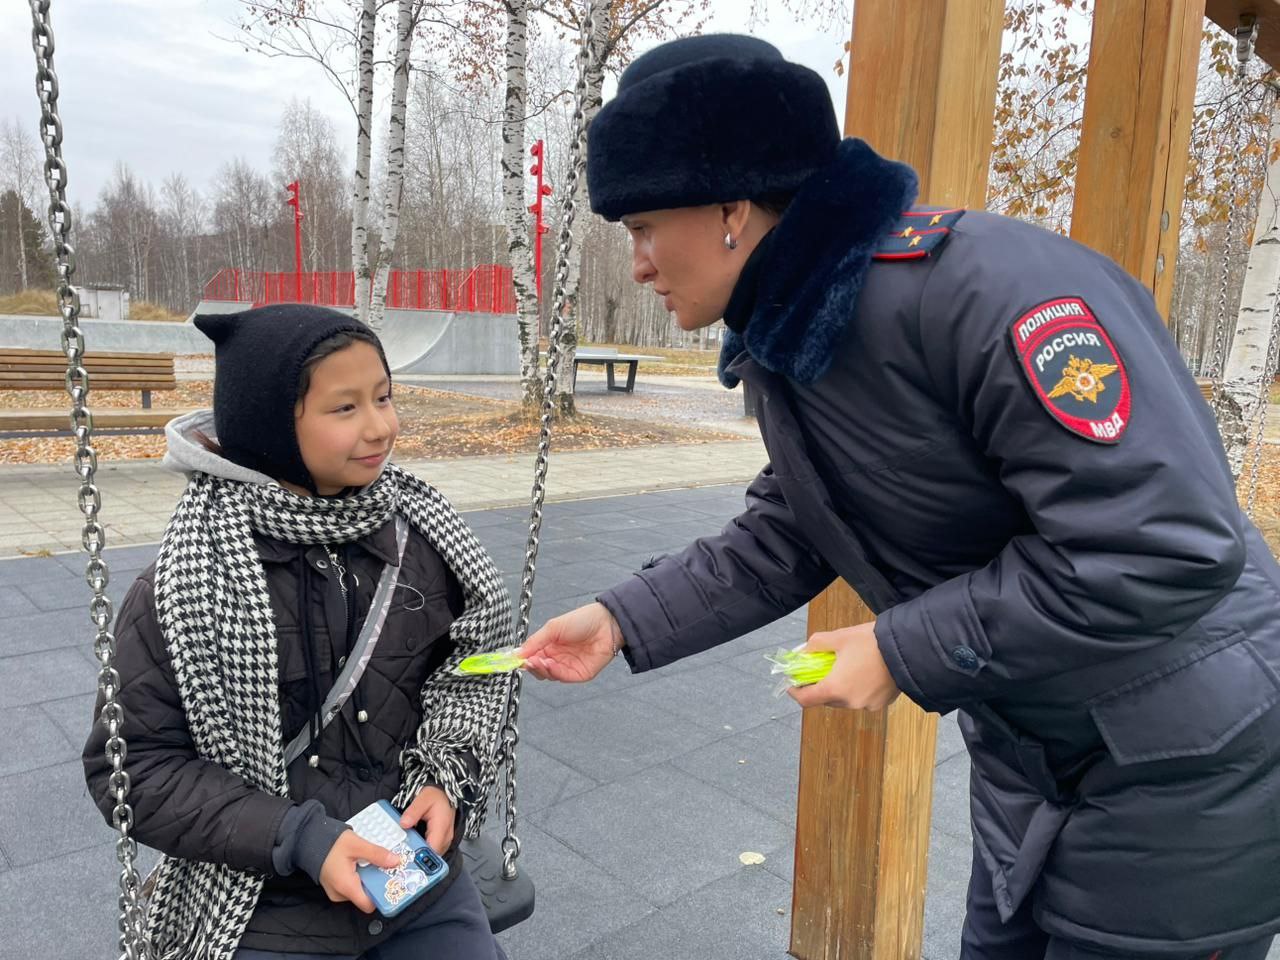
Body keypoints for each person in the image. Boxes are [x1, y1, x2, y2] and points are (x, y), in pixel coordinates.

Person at [519, 33, 1280, 960]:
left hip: (1187, 754)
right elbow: (794, 526)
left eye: (641, 228)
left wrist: (896, 645)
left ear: (730, 205)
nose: (637, 264)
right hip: (1034, 748)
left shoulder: (990, 292)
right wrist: (621, 620)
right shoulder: (803, 331)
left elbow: (1164, 546)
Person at [84, 305, 512, 959]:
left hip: (412, 878)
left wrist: (445, 773)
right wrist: (301, 838)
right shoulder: (188, 582)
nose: (382, 426)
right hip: (262, 892)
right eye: (346, 409)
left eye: (385, 397)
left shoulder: (420, 535)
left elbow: (471, 662)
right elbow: (132, 769)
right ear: (272, 425)